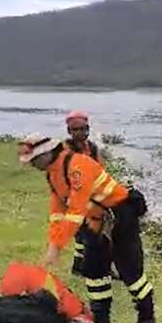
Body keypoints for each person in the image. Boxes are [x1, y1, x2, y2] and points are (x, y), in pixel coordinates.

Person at [16, 134, 156, 323]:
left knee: (129, 270)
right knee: (93, 270)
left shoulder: (77, 167)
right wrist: (53, 244)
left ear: (46, 154)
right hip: (95, 221)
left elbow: (75, 211)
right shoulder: (53, 174)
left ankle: (146, 318)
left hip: (120, 215)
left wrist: (57, 247)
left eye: (34, 160)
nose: (32, 165)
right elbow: (57, 211)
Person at [63, 111, 105, 277]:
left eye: (83, 129)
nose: (80, 133)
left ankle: (79, 266)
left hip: (92, 195)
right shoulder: (65, 151)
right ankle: (84, 267)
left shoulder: (93, 148)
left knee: (88, 234)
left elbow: (101, 171)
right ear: (69, 131)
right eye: (76, 129)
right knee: (83, 233)